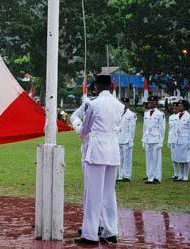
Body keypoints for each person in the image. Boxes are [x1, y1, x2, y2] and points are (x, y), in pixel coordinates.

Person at [74, 74, 124, 245]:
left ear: (96, 87)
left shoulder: (93, 104)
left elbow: (84, 131)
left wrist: (75, 123)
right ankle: (110, 231)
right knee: (109, 193)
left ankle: (90, 234)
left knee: (93, 195)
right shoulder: (119, 105)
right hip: (113, 149)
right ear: (110, 87)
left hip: (97, 150)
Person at [142, 96, 166, 184]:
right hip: (148, 138)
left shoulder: (160, 114)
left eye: (153, 102)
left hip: (156, 139)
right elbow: (144, 128)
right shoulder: (146, 113)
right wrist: (143, 140)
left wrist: (161, 141)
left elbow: (162, 129)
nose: (151, 103)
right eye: (149, 102)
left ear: (156, 103)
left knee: (156, 159)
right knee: (148, 159)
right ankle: (150, 176)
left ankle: (157, 177)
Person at [117, 98, 137, 182]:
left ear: (128, 104)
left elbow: (132, 129)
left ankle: (127, 175)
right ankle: (120, 175)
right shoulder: (118, 113)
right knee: (120, 159)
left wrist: (130, 140)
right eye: (122, 103)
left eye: (125, 103)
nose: (124, 105)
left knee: (127, 159)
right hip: (118, 139)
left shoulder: (131, 115)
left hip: (126, 140)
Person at [173, 100, 190, 182]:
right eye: (179, 105)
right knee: (179, 158)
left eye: (181, 106)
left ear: (185, 107)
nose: (179, 107)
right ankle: (180, 175)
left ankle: (186, 175)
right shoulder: (177, 116)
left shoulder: (188, 116)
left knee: (186, 159)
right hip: (177, 140)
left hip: (185, 140)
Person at [167, 102, 180, 179]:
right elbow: (170, 130)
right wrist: (169, 140)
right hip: (172, 139)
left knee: (179, 157)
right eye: (173, 107)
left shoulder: (181, 116)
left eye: (176, 107)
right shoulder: (171, 117)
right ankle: (175, 173)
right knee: (173, 157)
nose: (174, 108)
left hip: (178, 139)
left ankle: (180, 173)